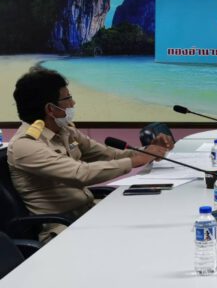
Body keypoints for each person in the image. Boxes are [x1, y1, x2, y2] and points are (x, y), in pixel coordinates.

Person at [8, 67, 172, 242]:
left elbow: (110, 155)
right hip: (62, 227)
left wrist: (148, 150)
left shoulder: (65, 131)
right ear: (50, 109)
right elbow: (80, 173)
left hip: (88, 211)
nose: (73, 103)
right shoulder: (25, 145)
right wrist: (136, 160)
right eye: (68, 98)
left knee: (154, 221)